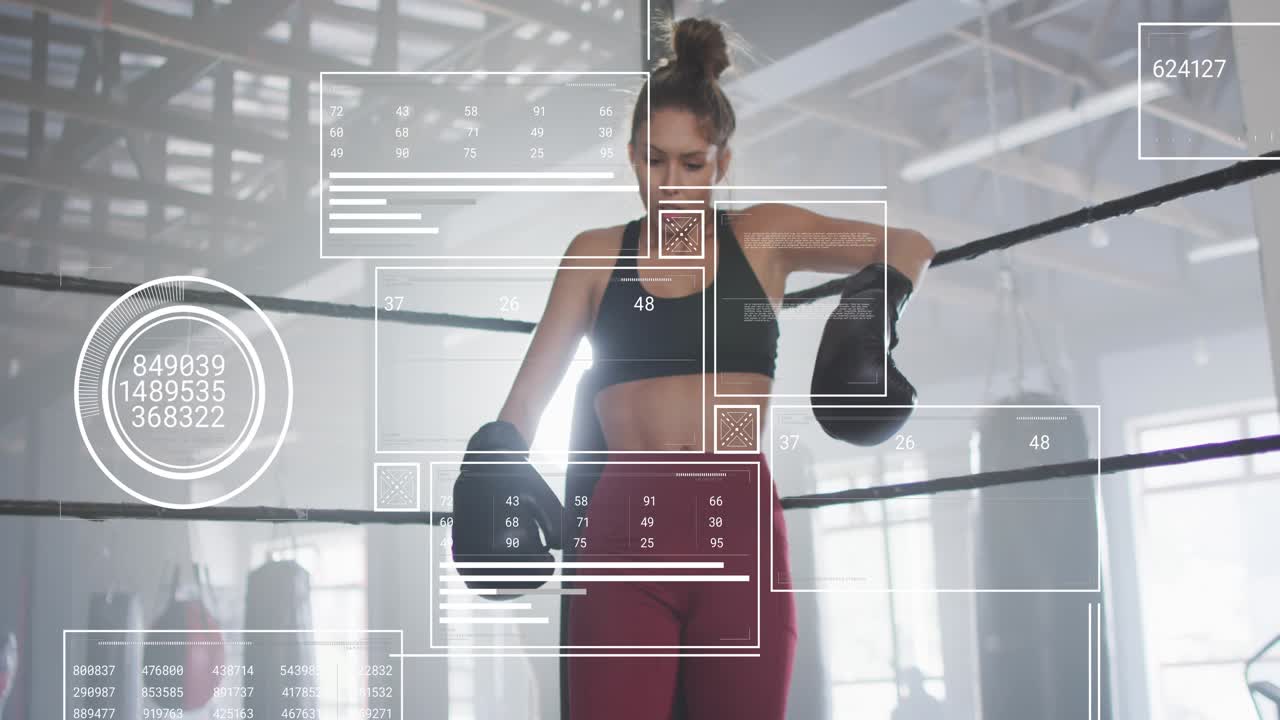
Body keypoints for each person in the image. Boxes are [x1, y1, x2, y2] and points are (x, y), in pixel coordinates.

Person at [452, 16, 936, 720]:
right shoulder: (594, 254)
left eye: (691, 163)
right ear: (630, 157)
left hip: (737, 526)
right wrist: (495, 459)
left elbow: (909, 245)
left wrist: (863, 320)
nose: (671, 183)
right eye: (654, 161)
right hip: (625, 534)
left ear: (722, 164)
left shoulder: (762, 236)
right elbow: (523, 406)